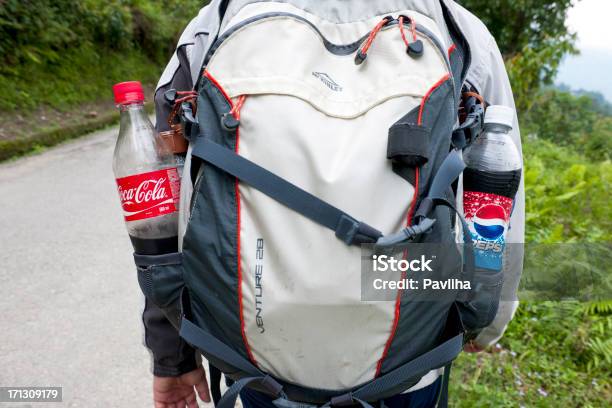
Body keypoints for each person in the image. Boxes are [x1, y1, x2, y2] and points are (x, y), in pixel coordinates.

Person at [145, 1, 524, 407]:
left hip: (257, 367)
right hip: (408, 366)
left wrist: (173, 356)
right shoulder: (460, 31)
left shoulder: (216, 22)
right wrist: (484, 323)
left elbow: (159, 215)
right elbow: (497, 203)